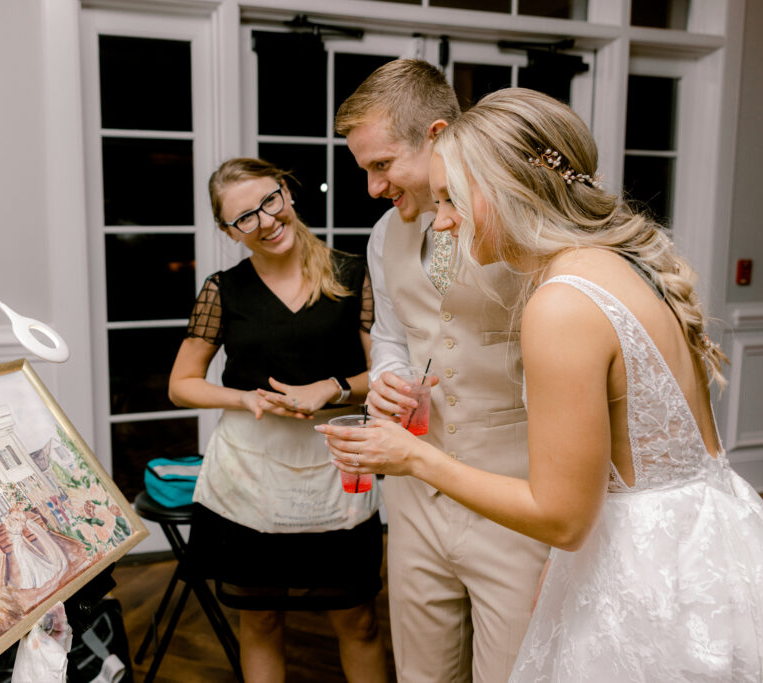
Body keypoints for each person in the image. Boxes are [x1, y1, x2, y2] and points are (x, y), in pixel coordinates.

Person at [320, 87, 763, 680]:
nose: (445, 223)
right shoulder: (625, 262)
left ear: (503, 185)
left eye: (452, 199)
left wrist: (411, 456)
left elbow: (564, 514)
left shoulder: (558, 300)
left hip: (600, 541)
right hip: (694, 547)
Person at [334, 59, 549, 682]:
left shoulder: (528, 230)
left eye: (382, 165)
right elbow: (391, 334)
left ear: (435, 136)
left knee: (514, 671)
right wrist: (388, 379)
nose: (374, 187)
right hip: (414, 498)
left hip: (514, 500)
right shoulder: (383, 236)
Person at [168, 157, 388, 683]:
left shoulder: (352, 275)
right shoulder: (224, 289)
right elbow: (181, 385)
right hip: (251, 475)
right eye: (245, 218)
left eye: (270, 202)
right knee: (261, 619)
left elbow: (385, 374)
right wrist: (244, 399)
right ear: (228, 231)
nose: (265, 221)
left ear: (287, 193)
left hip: (337, 467)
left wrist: (332, 388)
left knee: (357, 621)